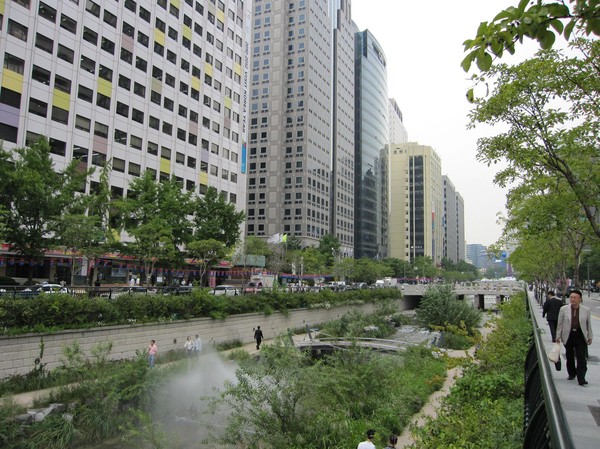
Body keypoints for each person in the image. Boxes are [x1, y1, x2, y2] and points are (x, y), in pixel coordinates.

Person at [556, 289, 593, 386]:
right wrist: (557, 337)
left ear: (580, 299)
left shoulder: (586, 310)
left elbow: (588, 325)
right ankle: (571, 373)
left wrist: (590, 337)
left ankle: (581, 378)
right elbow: (559, 324)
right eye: (571, 297)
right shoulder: (563, 309)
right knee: (569, 355)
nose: (572, 299)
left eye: (575, 298)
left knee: (581, 357)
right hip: (568, 335)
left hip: (580, 335)